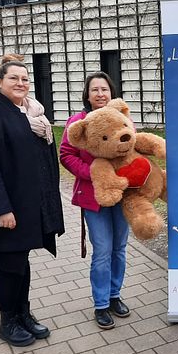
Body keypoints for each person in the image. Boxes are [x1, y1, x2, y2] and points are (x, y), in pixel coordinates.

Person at [0, 54, 65, 347]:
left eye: (25, 79)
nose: (20, 83)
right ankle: (7, 321)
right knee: (10, 264)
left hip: (27, 202)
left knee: (21, 260)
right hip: (5, 207)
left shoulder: (29, 113)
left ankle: (23, 313)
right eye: (14, 78)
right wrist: (2, 210)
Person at [60, 72, 132, 330]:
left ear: (111, 93)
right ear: (87, 95)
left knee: (119, 248)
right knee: (102, 250)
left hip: (122, 195)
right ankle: (101, 304)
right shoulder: (77, 122)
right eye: (95, 90)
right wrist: (91, 173)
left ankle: (115, 296)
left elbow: (132, 149)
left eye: (104, 89)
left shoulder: (123, 118)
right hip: (93, 197)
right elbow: (66, 154)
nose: (100, 94)